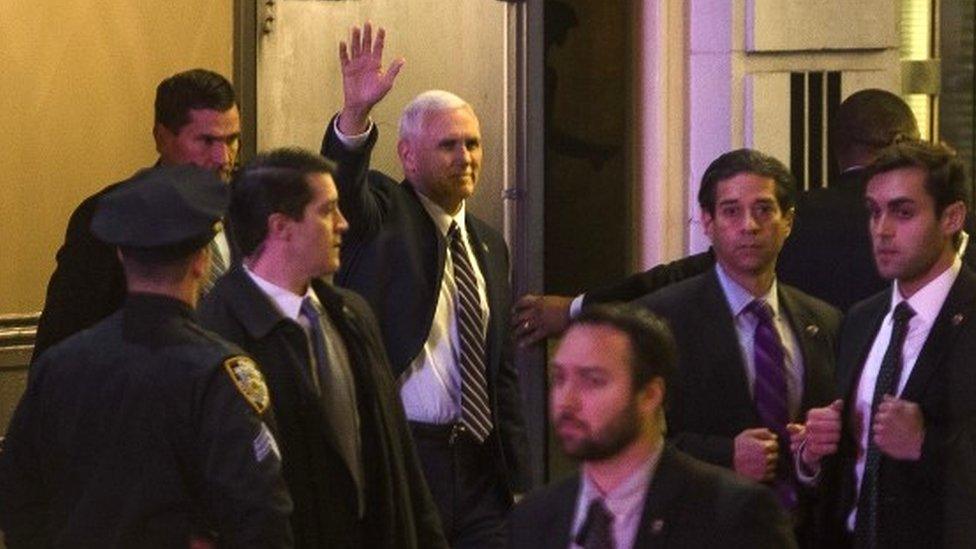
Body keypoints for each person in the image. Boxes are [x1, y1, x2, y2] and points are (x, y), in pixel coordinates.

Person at [0, 165, 292, 547]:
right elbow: (261, 517)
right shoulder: (219, 375)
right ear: (202, 260)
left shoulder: (59, 366)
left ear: (121, 255)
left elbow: (17, 500)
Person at [320, 24, 532, 547]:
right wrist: (354, 118)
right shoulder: (382, 212)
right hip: (409, 457)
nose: (465, 157)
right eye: (448, 145)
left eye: (473, 144)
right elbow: (342, 191)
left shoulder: (489, 244)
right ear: (408, 156)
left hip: (483, 471)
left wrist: (522, 483)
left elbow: (500, 374)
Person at [512, 89, 923, 345]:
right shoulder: (944, 227)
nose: (749, 224)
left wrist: (573, 309)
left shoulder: (803, 218)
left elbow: (676, 280)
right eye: (731, 211)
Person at [198, 148, 447, 549]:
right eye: (328, 210)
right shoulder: (220, 334)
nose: (343, 224)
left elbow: (400, 461)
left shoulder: (350, 314)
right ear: (281, 227)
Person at [635, 149, 841, 541]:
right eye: (731, 211)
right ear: (708, 222)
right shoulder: (659, 319)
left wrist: (810, 460)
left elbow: (834, 446)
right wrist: (724, 456)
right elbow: (632, 445)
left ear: (788, 222)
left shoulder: (825, 321)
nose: (749, 225)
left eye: (764, 210)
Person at [793, 140, 976, 548]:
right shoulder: (861, 319)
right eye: (874, 212)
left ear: (952, 218)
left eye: (903, 211)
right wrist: (813, 455)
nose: (882, 230)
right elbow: (851, 473)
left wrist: (925, 446)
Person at [508, 303, 796, 549]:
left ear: (649, 395)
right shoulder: (533, 518)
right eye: (559, 379)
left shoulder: (733, 514)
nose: (566, 401)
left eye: (592, 380)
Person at [32, 68, 241, 361]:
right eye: (206, 141)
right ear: (162, 138)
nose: (224, 158)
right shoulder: (110, 215)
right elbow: (62, 341)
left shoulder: (251, 207)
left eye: (231, 140)